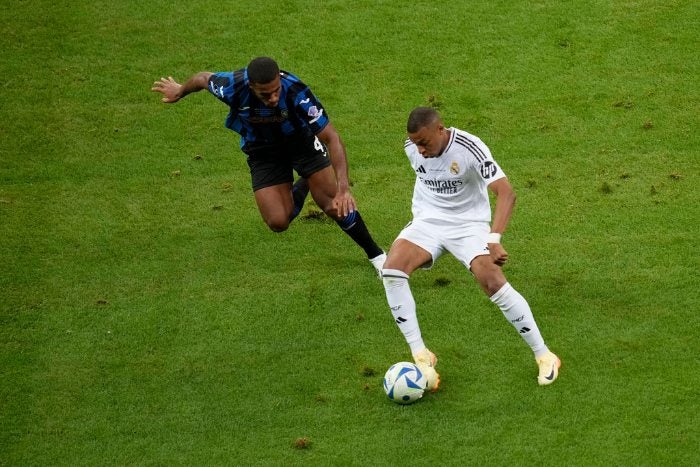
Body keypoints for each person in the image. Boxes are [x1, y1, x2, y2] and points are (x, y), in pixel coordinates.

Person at [151, 57, 386, 275]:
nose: (273, 97)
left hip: (301, 144)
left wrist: (344, 188)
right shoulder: (233, 86)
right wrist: (180, 90)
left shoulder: (295, 91)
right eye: (266, 94)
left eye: (276, 90)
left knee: (333, 204)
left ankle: (376, 255)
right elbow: (203, 78)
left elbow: (332, 137)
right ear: (251, 86)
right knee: (278, 222)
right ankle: (306, 180)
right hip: (263, 151)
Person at [382, 107, 560, 389]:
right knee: (391, 270)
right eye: (415, 143)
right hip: (428, 221)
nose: (420, 150)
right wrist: (419, 148)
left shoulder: (470, 147)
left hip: (468, 225)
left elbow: (506, 192)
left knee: (491, 280)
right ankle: (420, 354)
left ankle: (544, 355)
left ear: (440, 130)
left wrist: (494, 238)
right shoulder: (412, 148)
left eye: (425, 142)